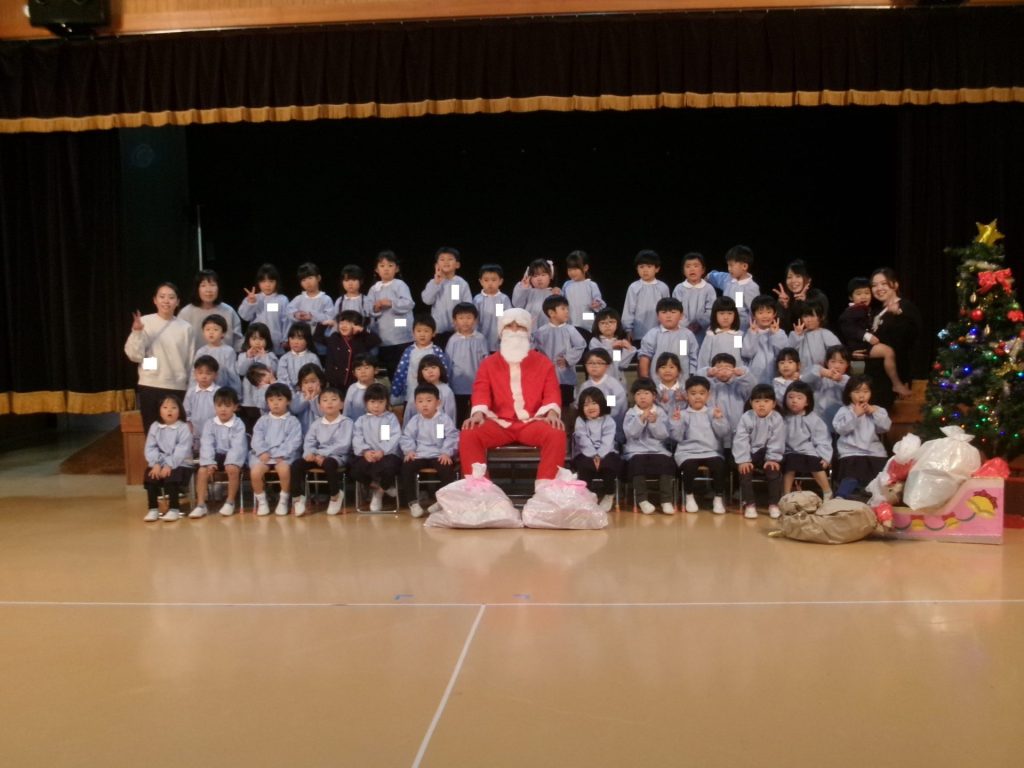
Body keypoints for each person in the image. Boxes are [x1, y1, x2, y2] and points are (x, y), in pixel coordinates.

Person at [459, 308, 566, 481]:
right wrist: (478, 413)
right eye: (510, 326)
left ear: (528, 332)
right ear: (501, 332)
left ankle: (547, 487)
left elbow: (552, 391)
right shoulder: (488, 363)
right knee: (469, 433)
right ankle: (478, 488)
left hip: (532, 422)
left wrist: (552, 412)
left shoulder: (543, 362)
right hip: (499, 423)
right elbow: (481, 390)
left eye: (520, 327)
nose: (515, 331)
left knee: (556, 432)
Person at [125, 282, 195, 433]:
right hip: (150, 385)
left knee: (176, 433)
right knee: (152, 432)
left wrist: (189, 387)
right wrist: (137, 332)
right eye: (162, 296)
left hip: (177, 387)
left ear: (178, 302)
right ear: (155, 300)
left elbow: (190, 362)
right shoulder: (144, 322)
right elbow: (135, 356)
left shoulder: (186, 328)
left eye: (171, 297)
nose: (166, 301)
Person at [290, 387, 353, 517]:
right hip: (318, 456)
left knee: (330, 463)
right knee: (296, 464)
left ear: (342, 404)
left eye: (333, 399)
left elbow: (344, 444)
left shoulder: (347, 422)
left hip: (338, 456)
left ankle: (335, 495)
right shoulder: (317, 423)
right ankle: (298, 498)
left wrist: (323, 454)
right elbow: (309, 441)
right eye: (325, 400)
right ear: (320, 406)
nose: (329, 403)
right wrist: (310, 453)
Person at [864, 268, 922, 407]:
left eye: (884, 283)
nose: (879, 288)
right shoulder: (875, 311)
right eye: (874, 285)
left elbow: (913, 337)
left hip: (892, 379)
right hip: (874, 377)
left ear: (895, 285)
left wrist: (899, 314)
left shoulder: (905, 307)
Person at [399, 383, 459, 518]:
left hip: (439, 454)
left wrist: (446, 452)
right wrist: (409, 450)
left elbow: (452, 436)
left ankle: (442, 501)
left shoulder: (443, 420)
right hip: (419, 454)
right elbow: (407, 437)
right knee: (406, 467)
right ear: (415, 404)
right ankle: (413, 503)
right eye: (420, 401)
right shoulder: (415, 420)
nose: (424, 405)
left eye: (429, 400)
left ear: (438, 402)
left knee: (447, 468)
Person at [673, 375, 731, 514]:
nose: (697, 397)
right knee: (689, 466)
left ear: (708, 395)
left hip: (711, 451)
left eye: (701, 393)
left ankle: (718, 498)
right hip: (688, 452)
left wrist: (719, 419)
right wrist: (677, 422)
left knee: (719, 466)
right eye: (693, 393)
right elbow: (676, 437)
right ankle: (689, 496)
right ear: (687, 395)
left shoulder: (713, 412)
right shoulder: (683, 414)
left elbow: (723, 433)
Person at [623, 378, 676, 515]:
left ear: (654, 396)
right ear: (634, 397)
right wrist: (641, 419)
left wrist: (654, 422)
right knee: (636, 464)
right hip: (636, 451)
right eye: (638, 394)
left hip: (658, 450)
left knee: (666, 463)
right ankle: (642, 500)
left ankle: (666, 500)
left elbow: (663, 435)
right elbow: (630, 434)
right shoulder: (630, 413)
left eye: (646, 393)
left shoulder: (660, 412)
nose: (642, 397)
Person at [191, 386, 247, 518]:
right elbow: (207, 444)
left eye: (227, 405)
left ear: (235, 407)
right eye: (219, 405)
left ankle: (230, 502)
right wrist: (209, 462)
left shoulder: (239, 424)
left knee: (232, 469)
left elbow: (238, 446)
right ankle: (201, 505)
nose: (223, 409)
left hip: (233, 456)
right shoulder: (209, 424)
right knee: (202, 471)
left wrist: (230, 462)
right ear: (214, 406)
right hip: (216, 455)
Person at [250, 382, 303, 517]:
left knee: (284, 470)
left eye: (280, 399)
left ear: (288, 401)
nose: (275, 403)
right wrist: (262, 451)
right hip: (264, 455)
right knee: (255, 472)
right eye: (271, 400)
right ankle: (262, 501)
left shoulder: (293, 421)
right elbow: (257, 438)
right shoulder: (263, 420)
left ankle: (283, 500)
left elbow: (294, 441)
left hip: (284, 456)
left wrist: (281, 454)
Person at [733, 384, 785, 519]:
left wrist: (772, 459)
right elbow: (741, 440)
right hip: (749, 453)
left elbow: (777, 440)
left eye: (766, 401)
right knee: (745, 472)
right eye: (757, 401)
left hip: (768, 453)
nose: (761, 405)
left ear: (773, 404)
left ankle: (774, 504)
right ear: (751, 403)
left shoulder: (777, 418)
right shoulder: (746, 417)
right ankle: (749, 504)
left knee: (773, 472)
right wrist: (744, 460)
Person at [832, 375, 891, 491]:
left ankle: (874, 496)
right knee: (851, 476)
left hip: (874, 452)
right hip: (851, 451)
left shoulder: (877, 410)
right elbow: (840, 429)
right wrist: (855, 415)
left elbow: (885, 427)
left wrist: (874, 412)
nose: (861, 395)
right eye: (857, 392)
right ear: (849, 394)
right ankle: (843, 496)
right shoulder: (844, 410)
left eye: (866, 391)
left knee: (879, 479)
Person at [350, 383, 403, 512]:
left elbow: (394, 437)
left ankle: (379, 493)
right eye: (372, 402)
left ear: (386, 402)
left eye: (380, 402)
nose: (376, 406)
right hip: (367, 454)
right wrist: (365, 451)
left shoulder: (390, 418)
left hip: (386, 454)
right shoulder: (361, 420)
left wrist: (382, 451)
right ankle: (378, 488)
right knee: (355, 469)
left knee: (389, 467)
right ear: (366, 403)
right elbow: (357, 438)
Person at [141, 394, 193, 522]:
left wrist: (169, 464)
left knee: (171, 475)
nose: (169, 411)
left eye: (173, 408)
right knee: (151, 475)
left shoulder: (183, 427)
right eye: (165, 407)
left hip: (180, 463)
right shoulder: (155, 426)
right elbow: (150, 447)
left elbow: (182, 450)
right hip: (160, 462)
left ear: (180, 410)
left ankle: (174, 509)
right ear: (159, 410)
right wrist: (156, 463)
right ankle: (153, 509)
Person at [533, 294, 587, 406]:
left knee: (566, 403)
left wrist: (567, 359)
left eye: (567, 308)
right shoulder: (541, 332)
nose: (567, 311)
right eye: (563, 309)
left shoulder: (570, 329)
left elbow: (580, 345)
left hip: (565, 374)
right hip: (546, 374)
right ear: (551, 313)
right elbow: (533, 348)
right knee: (548, 403)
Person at [781, 380, 832, 498]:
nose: (794, 401)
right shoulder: (782, 418)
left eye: (799, 398)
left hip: (809, 452)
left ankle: (827, 492)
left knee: (815, 464)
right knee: (790, 465)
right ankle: (786, 495)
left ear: (807, 402)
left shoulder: (813, 419)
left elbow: (822, 438)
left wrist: (825, 456)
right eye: (791, 397)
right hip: (789, 452)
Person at [368, 250, 415, 378]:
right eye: (382, 266)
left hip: (402, 336)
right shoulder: (374, 289)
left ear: (396, 268)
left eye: (390, 265)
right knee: (391, 369)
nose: (386, 269)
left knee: (404, 369)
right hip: (384, 337)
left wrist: (391, 303)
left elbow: (408, 303)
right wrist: (376, 308)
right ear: (377, 270)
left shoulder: (400, 284)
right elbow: (369, 309)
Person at [390, 315, 453, 411]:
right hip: (412, 394)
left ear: (434, 333)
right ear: (413, 333)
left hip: (432, 396)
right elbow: (400, 372)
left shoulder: (437, 351)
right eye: (419, 331)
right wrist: (396, 392)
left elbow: (444, 371)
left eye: (426, 331)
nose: (422, 334)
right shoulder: (409, 351)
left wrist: (445, 388)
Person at [572, 387, 619, 512]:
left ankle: (609, 494)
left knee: (609, 465)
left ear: (601, 404)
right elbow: (583, 439)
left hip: (606, 451)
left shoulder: (609, 420)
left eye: (594, 403)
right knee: (585, 466)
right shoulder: (580, 420)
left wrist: (600, 455)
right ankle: (585, 497)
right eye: (586, 405)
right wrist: (593, 455)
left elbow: (608, 440)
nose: (590, 407)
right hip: (585, 452)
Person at [445, 302, 489, 427]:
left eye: (469, 317)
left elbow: (486, 361)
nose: (465, 321)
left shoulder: (480, 339)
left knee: (476, 415)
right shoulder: (452, 340)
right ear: (455, 321)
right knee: (459, 415)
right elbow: (447, 364)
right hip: (457, 386)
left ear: (475, 320)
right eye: (461, 318)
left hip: (477, 385)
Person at [178, 269, 244, 353]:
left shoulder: (228, 311)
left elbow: (238, 341)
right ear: (197, 289)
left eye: (212, 285)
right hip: (196, 360)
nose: (208, 290)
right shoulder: (185, 313)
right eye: (203, 285)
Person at [421, 246, 472, 348]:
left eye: (450, 259)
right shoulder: (433, 282)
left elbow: (468, 306)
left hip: (458, 330)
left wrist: (463, 324)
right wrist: (436, 283)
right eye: (442, 259)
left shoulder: (461, 283)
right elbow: (427, 300)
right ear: (436, 265)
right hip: (438, 330)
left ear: (457, 264)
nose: (446, 262)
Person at [637, 297, 698, 378]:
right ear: (657, 316)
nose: (668, 316)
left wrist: (692, 377)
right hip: (657, 382)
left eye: (673, 312)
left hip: (682, 381)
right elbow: (645, 357)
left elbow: (693, 358)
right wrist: (645, 379)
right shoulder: (652, 334)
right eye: (664, 312)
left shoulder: (687, 335)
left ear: (681, 316)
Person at [576, 348, 627, 443]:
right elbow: (579, 405)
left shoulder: (612, 385)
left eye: (599, 363)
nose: (594, 366)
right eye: (590, 363)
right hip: (589, 427)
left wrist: (600, 420)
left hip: (611, 428)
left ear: (607, 366)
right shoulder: (585, 386)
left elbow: (614, 410)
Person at [324, 309, 380, 394]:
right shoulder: (335, 337)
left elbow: (376, 340)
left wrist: (363, 330)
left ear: (357, 325)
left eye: (348, 323)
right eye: (341, 323)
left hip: (356, 381)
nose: (344, 326)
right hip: (336, 382)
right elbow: (318, 338)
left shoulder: (361, 338)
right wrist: (324, 325)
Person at [238, 263, 290, 352]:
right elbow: (245, 317)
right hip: (255, 343)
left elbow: (286, 321)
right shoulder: (254, 298)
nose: (267, 285)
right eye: (263, 281)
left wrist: (285, 339)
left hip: (276, 343)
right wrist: (250, 303)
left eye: (271, 281)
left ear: (276, 282)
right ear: (258, 283)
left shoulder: (282, 299)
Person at [707, 245, 760, 331]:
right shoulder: (727, 279)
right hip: (724, 327)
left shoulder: (751, 287)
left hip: (740, 330)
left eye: (731, 265)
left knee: (737, 341)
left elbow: (754, 312)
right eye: (728, 265)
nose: (729, 269)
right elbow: (712, 276)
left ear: (744, 266)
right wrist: (705, 278)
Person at [622, 249, 670, 341]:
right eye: (641, 267)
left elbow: (667, 309)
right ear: (637, 269)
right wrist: (628, 329)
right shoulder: (634, 287)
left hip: (659, 332)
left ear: (657, 269)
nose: (645, 270)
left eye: (649, 266)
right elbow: (628, 310)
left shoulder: (663, 287)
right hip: (638, 333)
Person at [286, 261, 334, 354]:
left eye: (310, 278)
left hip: (319, 341)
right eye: (303, 280)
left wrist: (312, 317)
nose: (307, 282)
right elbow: (288, 311)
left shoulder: (326, 299)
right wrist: (296, 314)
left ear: (318, 278)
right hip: (301, 342)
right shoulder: (299, 298)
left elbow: (330, 318)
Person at [773, 259, 829, 333]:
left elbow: (821, 323)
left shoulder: (818, 297)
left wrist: (806, 302)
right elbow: (781, 329)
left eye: (798, 276)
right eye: (789, 277)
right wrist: (784, 308)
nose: (793, 281)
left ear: (808, 279)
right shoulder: (785, 299)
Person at [672, 251, 717, 344]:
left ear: (703, 270)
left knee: (702, 351)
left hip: (703, 332)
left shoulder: (709, 288)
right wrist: (686, 326)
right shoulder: (679, 288)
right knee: (683, 351)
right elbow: (675, 310)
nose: (692, 269)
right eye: (688, 266)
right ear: (683, 271)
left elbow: (711, 310)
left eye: (696, 266)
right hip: (683, 331)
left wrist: (700, 324)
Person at [742, 295, 788, 385]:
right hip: (755, 377)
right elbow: (746, 354)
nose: (765, 316)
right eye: (760, 313)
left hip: (776, 377)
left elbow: (784, 353)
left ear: (774, 314)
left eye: (769, 312)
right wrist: (753, 334)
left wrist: (775, 335)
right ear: (754, 315)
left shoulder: (780, 332)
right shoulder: (750, 332)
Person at [562, 250, 606, 341]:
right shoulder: (567, 285)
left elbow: (598, 300)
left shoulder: (591, 285)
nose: (572, 272)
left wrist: (596, 304)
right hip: (570, 322)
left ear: (585, 268)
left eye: (575, 269)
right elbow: (562, 301)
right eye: (570, 269)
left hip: (587, 323)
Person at [806, 344, 851, 432]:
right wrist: (820, 371)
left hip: (840, 423)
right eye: (833, 361)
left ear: (847, 364)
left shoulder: (848, 380)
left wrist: (840, 379)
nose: (836, 366)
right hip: (819, 420)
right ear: (827, 363)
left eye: (841, 362)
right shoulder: (820, 378)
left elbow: (850, 388)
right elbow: (805, 379)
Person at [787, 299, 841, 371]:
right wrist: (797, 336)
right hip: (803, 374)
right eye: (805, 316)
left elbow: (838, 354)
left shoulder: (826, 334)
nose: (809, 320)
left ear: (820, 317)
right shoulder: (797, 335)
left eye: (812, 316)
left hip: (824, 373)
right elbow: (789, 353)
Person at [588, 308, 636, 385]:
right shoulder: (595, 341)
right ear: (597, 325)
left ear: (617, 324)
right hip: (600, 381)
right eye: (603, 323)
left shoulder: (618, 342)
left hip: (617, 381)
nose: (607, 325)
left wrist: (629, 349)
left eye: (611, 322)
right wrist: (611, 347)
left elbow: (621, 364)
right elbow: (600, 359)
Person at [194, 314, 240, 393]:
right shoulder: (201, 351)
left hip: (222, 392)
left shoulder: (228, 351)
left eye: (215, 329)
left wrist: (235, 393)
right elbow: (195, 373)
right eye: (207, 329)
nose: (211, 332)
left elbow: (232, 375)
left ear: (223, 333)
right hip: (203, 391)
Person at [696, 296, 743, 371]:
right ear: (715, 315)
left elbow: (739, 358)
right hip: (714, 375)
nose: (726, 317)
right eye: (722, 313)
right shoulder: (711, 336)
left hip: (734, 375)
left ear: (735, 315)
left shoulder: (737, 335)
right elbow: (703, 360)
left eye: (730, 313)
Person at [184, 356, 219, 455]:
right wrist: (189, 427)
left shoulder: (218, 392)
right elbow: (186, 412)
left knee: (211, 454)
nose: (204, 376)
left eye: (208, 373)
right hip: (195, 432)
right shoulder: (191, 392)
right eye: (200, 373)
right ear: (195, 374)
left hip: (214, 432)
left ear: (215, 375)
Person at [474, 264, 512, 353]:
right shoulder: (477, 299)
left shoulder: (503, 299)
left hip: (499, 339)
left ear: (500, 281)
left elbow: (508, 318)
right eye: (486, 280)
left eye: (494, 280)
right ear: (481, 282)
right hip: (481, 336)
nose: (490, 283)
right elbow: (474, 320)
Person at [411, 355, 457, 427]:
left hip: (439, 427)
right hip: (419, 428)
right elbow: (410, 413)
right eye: (426, 369)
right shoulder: (417, 390)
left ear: (440, 369)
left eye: (433, 367)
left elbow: (450, 415)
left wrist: (446, 431)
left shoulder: (447, 391)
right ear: (421, 373)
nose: (430, 371)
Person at [512, 258, 559, 329]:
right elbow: (517, 304)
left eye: (543, 275)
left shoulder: (555, 293)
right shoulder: (528, 292)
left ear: (551, 275)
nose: (539, 279)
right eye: (535, 276)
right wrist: (523, 288)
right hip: (530, 328)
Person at [277, 324, 320, 392]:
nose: (295, 342)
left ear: (307, 340)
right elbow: (282, 379)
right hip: (288, 393)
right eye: (292, 338)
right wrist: (291, 393)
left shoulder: (313, 358)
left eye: (300, 339)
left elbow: (317, 379)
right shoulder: (284, 359)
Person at [330, 264, 373, 330]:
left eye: (354, 280)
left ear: (361, 281)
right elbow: (335, 321)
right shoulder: (340, 301)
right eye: (346, 280)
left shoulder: (366, 300)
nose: (350, 284)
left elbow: (371, 322)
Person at [289, 362, 326, 435]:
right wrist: (306, 399)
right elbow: (294, 409)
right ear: (301, 384)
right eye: (305, 382)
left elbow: (323, 413)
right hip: (302, 432)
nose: (310, 386)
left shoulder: (325, 396)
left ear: (320, 382)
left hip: (321, 433)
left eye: (313, 381)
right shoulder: (299, 395)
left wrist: (313, 399)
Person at [343, 355, 377, 423]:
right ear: (354, 373)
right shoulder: (352, 389)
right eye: (359, 369)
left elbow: (386, 415)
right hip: (356, 427)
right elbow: (346, 413)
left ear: (376, 370)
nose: (363, 372)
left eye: (366, 368)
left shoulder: (381, 388)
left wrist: (384, 430)